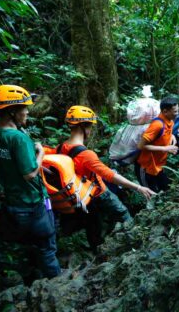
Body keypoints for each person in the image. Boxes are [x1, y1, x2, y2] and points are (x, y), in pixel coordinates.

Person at [0, 84, 61, 278]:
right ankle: (58, 283)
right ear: (12, 111)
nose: (27, 112)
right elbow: (29, 173)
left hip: (12, 201)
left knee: (28, 247)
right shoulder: (18, 139)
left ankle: (33, 280)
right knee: (47, 247)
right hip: (32, 202)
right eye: (24, 108)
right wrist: (40, 152)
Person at [52, 105, 155, 252]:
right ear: (84, 126)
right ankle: (138, 242)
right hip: (99, 192)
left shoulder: (60, 148)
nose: (90, 130)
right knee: (122, 213)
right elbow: (110, 175)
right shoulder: (86, 154)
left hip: (80, 195)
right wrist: (138, 187)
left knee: (92, 224)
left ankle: (97, 250)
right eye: (90, 126)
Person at [135, 97, 179, 192]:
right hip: (146, 167)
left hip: (158, 167)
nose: (177, 113)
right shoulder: (157, 125)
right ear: (165, 111)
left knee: (167, 190)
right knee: (151, 194)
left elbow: (164, 134)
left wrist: (172, 136)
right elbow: (140, 146)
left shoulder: (170, 121)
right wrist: (165, 149)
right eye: (175, 111)